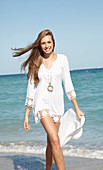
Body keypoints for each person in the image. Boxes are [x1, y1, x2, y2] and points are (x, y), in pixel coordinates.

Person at [12, 29, 84, 170]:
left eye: (48, 42)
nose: (46, 45)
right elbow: (31, 88)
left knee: (51, 142)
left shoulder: (63, 59)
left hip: (57, 105)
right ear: (40, 45)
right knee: (56, 140)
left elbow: (68, 84)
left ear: (53, 43)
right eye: (43, 43)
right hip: (41, 104)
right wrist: (27, 114)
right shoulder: (35, 62)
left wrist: (77, 107)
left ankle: (48, 168)